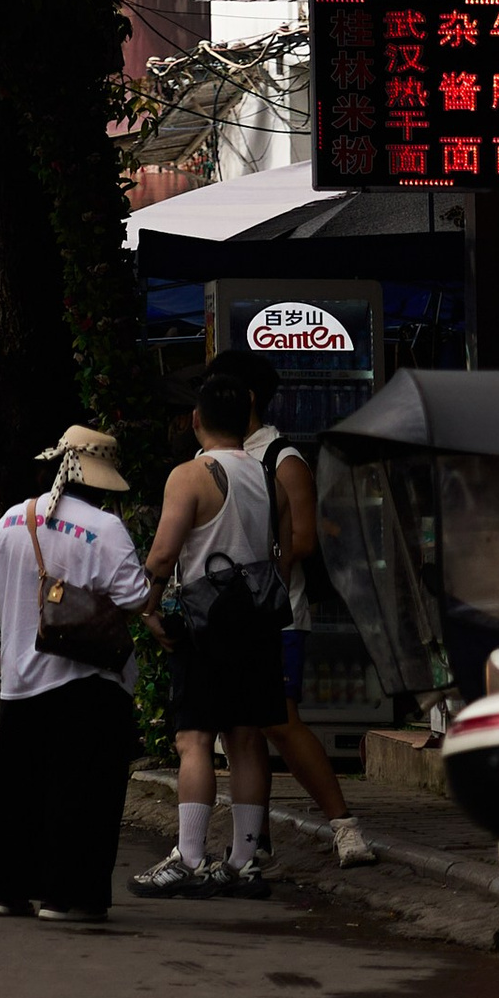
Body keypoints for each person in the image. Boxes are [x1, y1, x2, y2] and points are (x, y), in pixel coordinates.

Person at [0, 423, 153, 925]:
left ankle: (6, 891)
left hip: (18, 680)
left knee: (18, 793)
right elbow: (136, 598)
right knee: (82, 793)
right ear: (101, 478)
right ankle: (66, 897)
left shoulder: (13, 518)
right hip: (86, 681)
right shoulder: (105, 528)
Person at [133, 368, 289, 899]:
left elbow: (162, 554)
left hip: (207, 623)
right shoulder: (271, 475)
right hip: (258, 622)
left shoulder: (190, 475)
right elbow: (282, 551)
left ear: (196, 419)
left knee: (194, 739)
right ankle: (244, 861)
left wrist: (148, 607)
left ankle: (190, 856)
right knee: (247, 740)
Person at [232, 350, 378, 872]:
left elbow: (305, 540)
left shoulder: (281, 458)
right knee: (245, 729)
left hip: (277, 615)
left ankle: (344, 825)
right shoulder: (226, 456)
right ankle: (253, 840)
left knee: (280, 721)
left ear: (244, 398)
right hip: (235, 617)